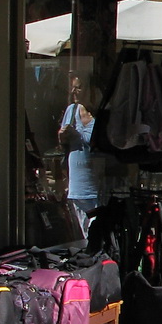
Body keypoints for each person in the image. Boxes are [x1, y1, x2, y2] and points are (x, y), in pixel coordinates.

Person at [58, 77, 98, 226]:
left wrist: (76, 134)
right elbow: (63, 142)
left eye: (78, 87)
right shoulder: (72, 110)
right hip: (77, 181)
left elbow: (96, 141)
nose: (74, 91)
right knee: (83, 227)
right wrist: (63, 136)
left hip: (96, 180)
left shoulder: (99, 114)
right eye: (73, 87)